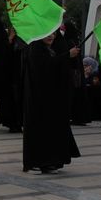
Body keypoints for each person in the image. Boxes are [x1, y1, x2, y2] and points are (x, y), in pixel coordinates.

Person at [23, 32, 81, 174]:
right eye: (47, 33)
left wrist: (70, 56)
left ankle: (52, 161)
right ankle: (40, 162)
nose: (51, 36)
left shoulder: (49, 48)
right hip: (40, 100)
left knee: (52, 130)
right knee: (42, 131)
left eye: (53, 33)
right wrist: (67, 55)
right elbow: (44, 68)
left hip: (51, 99)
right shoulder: (35, 49)